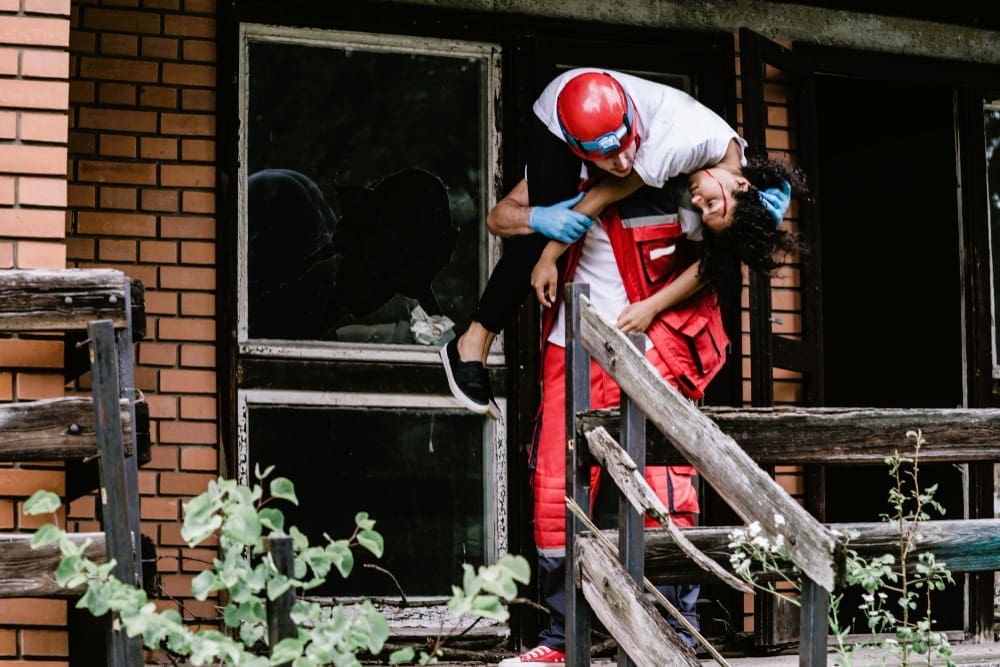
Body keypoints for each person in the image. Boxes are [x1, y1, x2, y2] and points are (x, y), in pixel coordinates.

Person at [497, 153, 804, 666]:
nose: (609, 150)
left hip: (656, 345)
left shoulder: (689, 173)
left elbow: (722, 258)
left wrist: (654, 307)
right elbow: (496, 217)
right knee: (554, 489)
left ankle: (674, 634)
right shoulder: (564, 168)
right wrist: (543, 234)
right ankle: (559, 638)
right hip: (570, 345)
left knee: (666, 490)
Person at [440, 68, 784, 416]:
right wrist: (548, 255)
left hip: (614, 124)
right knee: (550, 226)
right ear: (740, 186)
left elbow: (714, 262)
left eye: (706, 210)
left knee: (548, 215)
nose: (698, 202)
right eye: (708, 203)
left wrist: (655, 305)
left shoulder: (727, 187)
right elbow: (606, 191)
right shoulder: (678, 146)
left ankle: (518, 224)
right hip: (567, 110)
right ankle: (472, 343)